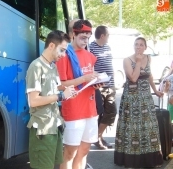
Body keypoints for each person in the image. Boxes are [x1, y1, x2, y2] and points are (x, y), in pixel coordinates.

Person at [26, 30, 77, 169]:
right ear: (51, 46)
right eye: (62, 50)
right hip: (42, 130)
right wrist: (61, 96)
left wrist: (68, 90)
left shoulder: (52, 66)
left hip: (54, 126)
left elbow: (54, 87)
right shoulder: (36, 67)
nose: (63, 55)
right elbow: (33, 101)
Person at [56, 19, 101, 169]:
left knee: (85, 150)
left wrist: (97, 84)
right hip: (74, 109)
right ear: (73, 35)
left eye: (88, 37)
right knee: (70, 152)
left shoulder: (90, 56)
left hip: (90, 109)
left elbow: (88, 82)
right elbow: (60, 85)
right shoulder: (64, 55)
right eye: (83, 37)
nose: (86, 41)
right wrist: (83, 79)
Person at [114, 37, 163, 168]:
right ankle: (131, 159)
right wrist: (138, 61)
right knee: (132, 128)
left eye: (141, 45)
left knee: (148, 127)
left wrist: (156, 91)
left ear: (145, 47)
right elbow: (134, 78)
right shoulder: (127, 60)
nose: (138, 47)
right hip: (131, 99)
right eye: (136, 45)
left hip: (146, 97)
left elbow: (149, 75)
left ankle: (149, 158)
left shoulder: (148, 58)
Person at [89, 25, 117, 150]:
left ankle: (98, 136)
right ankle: (98, 138)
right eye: (108, 35)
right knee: (99, 113)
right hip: (98, 86)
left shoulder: (108, 47)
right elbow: (89, 68)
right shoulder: (91, 48)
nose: (109, 37)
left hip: (110, 85)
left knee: (111, 111)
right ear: (102, 36)